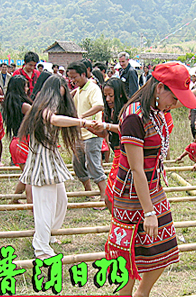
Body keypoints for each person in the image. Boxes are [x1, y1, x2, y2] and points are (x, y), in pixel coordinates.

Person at [103, 62, 196, 297]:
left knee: (165, 246)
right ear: (159, 88)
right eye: (173, 97)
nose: (176, 103)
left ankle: (142, 296)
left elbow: (190, 97)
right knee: (130, 251)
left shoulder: (156, 107)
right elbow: (136, 169)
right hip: (130, 192)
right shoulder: (134, 116)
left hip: (153, 187)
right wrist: (148, 212)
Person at [18, 75, 89, 259]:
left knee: (61, 201)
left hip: (49, 158)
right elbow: (54, 120)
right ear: (58, 89)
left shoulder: (46, 103)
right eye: (64, 87)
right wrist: (82, 122)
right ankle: (41, 248)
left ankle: (46, 236)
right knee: (45, 207)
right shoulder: (44, 107)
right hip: (42, 160)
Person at [67, 61, 107, 208]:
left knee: (93, 165)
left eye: (75, 77)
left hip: (92, 133)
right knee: (77, 164)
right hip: (80, 133)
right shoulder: (78, 90)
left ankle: (104, 196)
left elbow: (99, 106)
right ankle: (88, 190)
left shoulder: (93, 88)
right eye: (70, 77)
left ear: (84, 74)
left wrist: (83, 116)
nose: (73, 80)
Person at [86, 78, 127, 211]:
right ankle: (118, 221)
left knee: (112, 194)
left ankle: (119, 223)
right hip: (117, 155)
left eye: (111, 95)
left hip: (126, 155)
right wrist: (89, 127)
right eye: (105, 96)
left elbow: (124, 128)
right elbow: (105, 134)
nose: (108, 99)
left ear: (120, 94)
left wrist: (106, 126)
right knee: (111, 194)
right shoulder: (111, 111)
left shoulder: (127, 110)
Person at [3, 75, 33, 204]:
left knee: (27, 175)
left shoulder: (10, 103)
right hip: (24, 142)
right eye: (25, 86)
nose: (27, 88)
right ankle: (32, 206)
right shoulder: (24, 106)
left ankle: (14, 200)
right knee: (31, 177)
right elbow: (40, 116)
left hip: (17, 142)